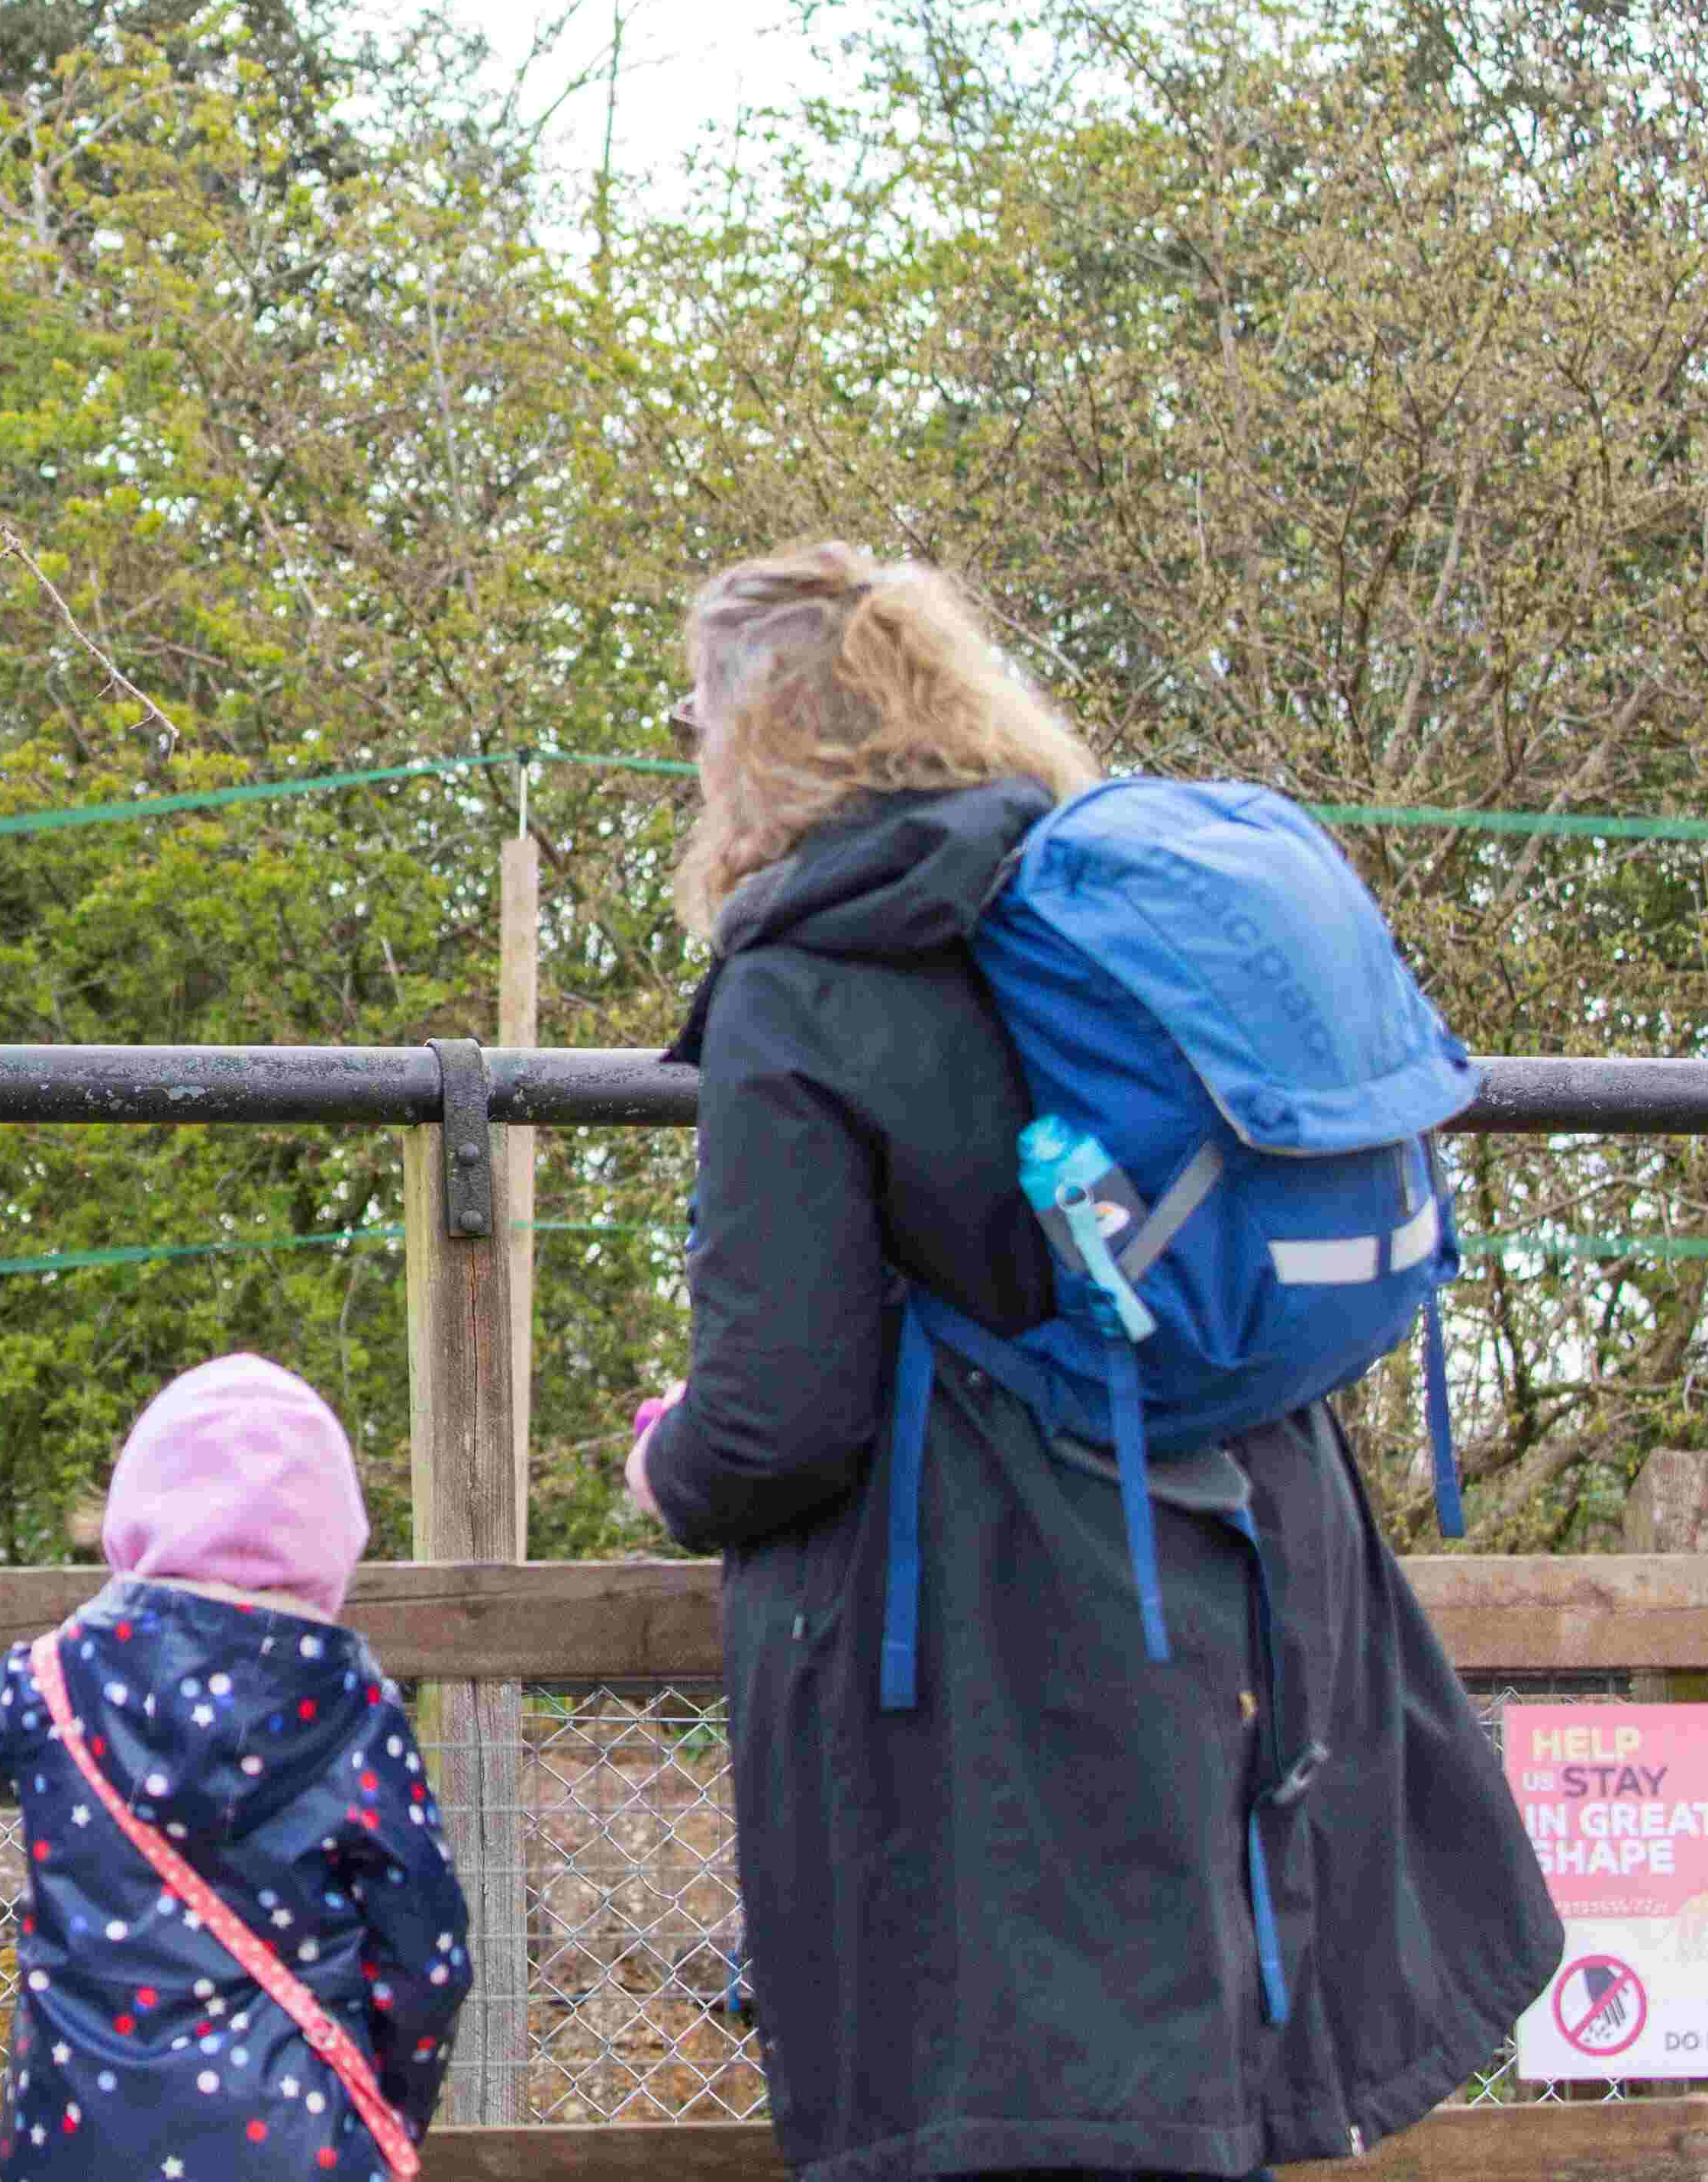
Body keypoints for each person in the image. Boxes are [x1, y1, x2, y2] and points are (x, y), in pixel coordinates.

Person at [625, 540, 1561, 2182]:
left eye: (695, 708)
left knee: (1022, 2118)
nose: (685, 742)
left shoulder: (808, 979)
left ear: (765, 736)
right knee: (1181, 2107)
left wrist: (668, 1462)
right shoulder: (1070, 904)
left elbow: (781, 1411)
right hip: (1244, 1572)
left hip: (1003, 1647)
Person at [0, 1352, 469, 2180]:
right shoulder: (358, 1709)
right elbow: (426, 1959)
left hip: (79, 2144)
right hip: (298, 2139)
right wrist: (383, 2107)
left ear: (137, 1514)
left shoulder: (56, 1681)